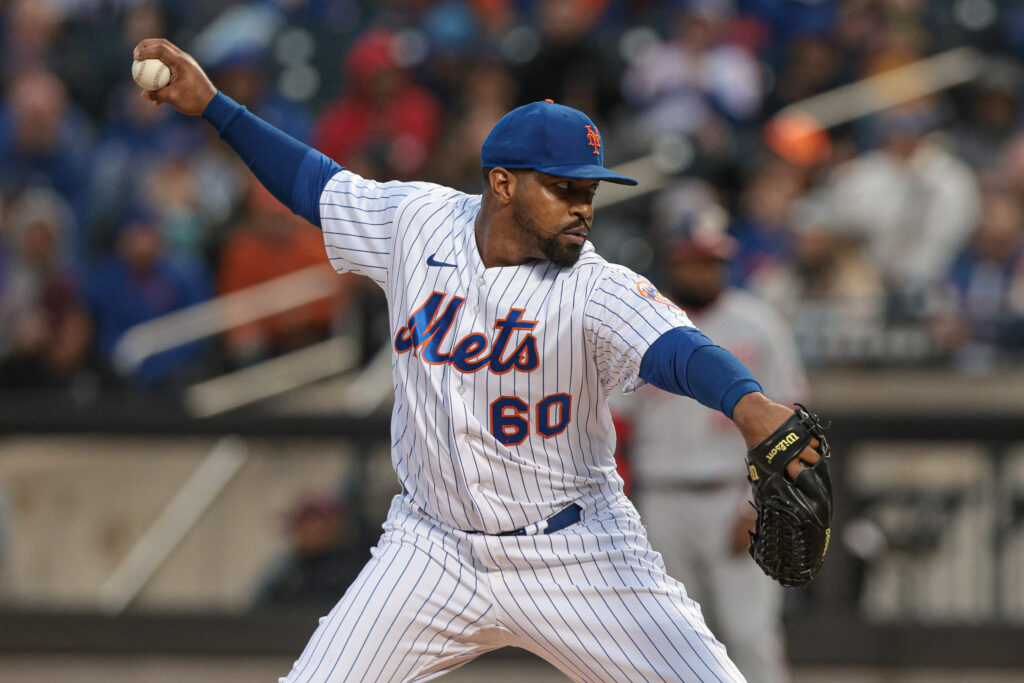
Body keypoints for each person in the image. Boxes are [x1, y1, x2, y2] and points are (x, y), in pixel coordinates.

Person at [133, 37, 824, 682]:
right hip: (430, 549)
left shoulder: (592, 282)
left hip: (576, 550)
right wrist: (217, 109)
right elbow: (314, 185)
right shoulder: (416, 222)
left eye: (589, 190)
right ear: (502, 184)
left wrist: (749, 403)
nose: (583, 208)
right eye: (564, 188)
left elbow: (676, 346)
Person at [612, 201, 808, 683]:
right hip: (659, 501)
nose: (704, 269)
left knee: (750, 638)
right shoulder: (640, 323)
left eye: (712, 259)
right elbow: (615, 429)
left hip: (734, 495)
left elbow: (791, 424)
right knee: (671, 643)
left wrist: (762, 505)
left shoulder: (758, 324)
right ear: (673, 259)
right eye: (693, 258)